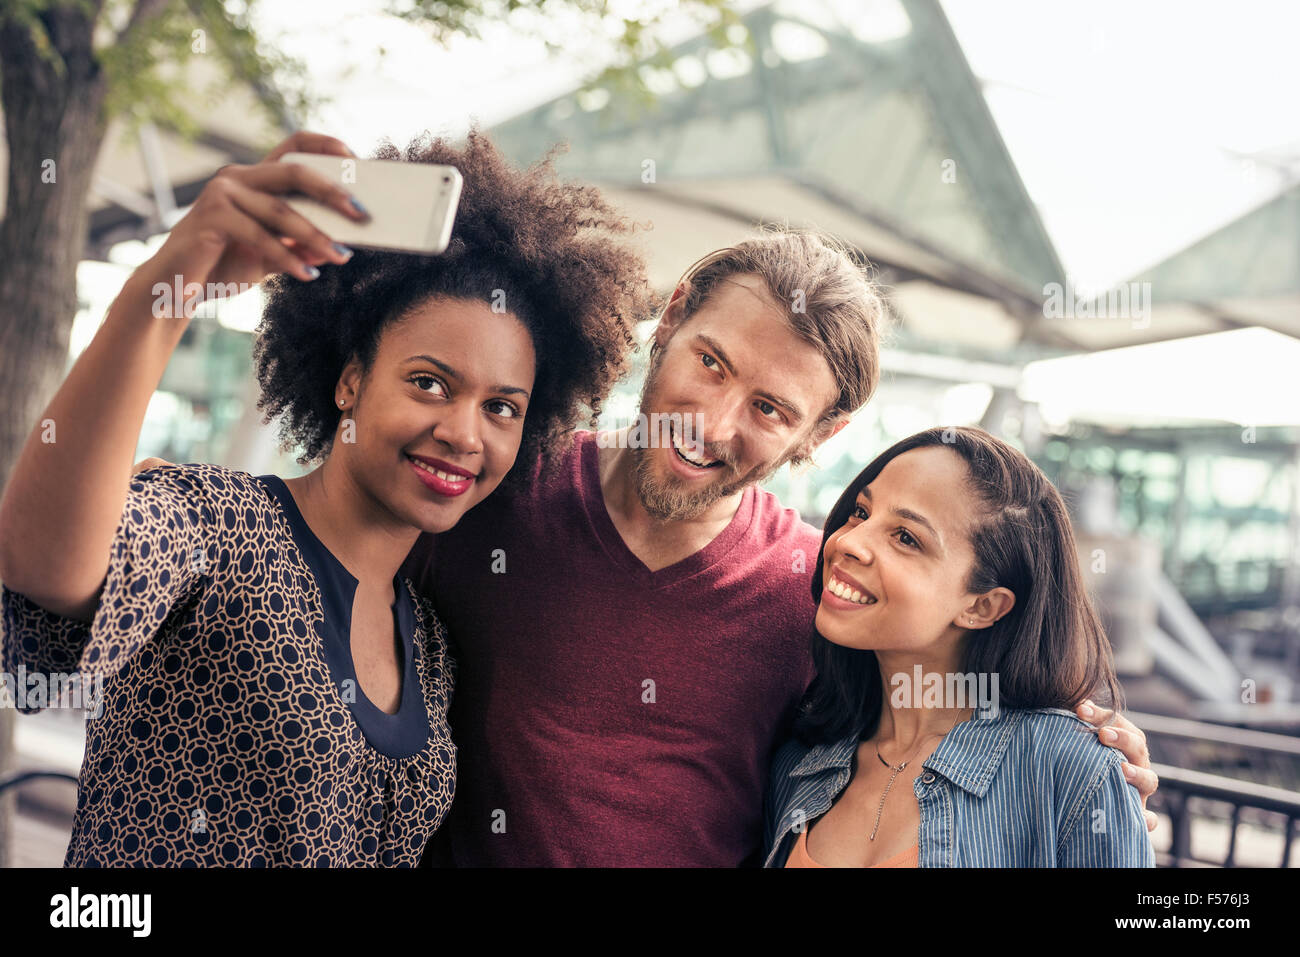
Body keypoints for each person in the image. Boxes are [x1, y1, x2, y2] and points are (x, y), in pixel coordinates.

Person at [0, 128, 652, 866]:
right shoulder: (219, 527)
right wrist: (171, 282)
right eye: (429, 382)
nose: (464, 432)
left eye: (502, 406)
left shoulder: (430, 646)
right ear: (350, 380)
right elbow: (44, 562)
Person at [409, 232, 1161, 866]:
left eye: (769, 408)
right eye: (711, 362)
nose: (710, 423)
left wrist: (1088, 775)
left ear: (820, 435)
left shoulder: (823, 594)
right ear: (670, 320)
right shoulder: (495, 489)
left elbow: (940, 715)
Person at [764, 427, 1155, 867]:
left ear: (983, 606)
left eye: (906, 537)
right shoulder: (800, 762)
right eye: (861, 511)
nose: (847, 542)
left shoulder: (1073, 773)